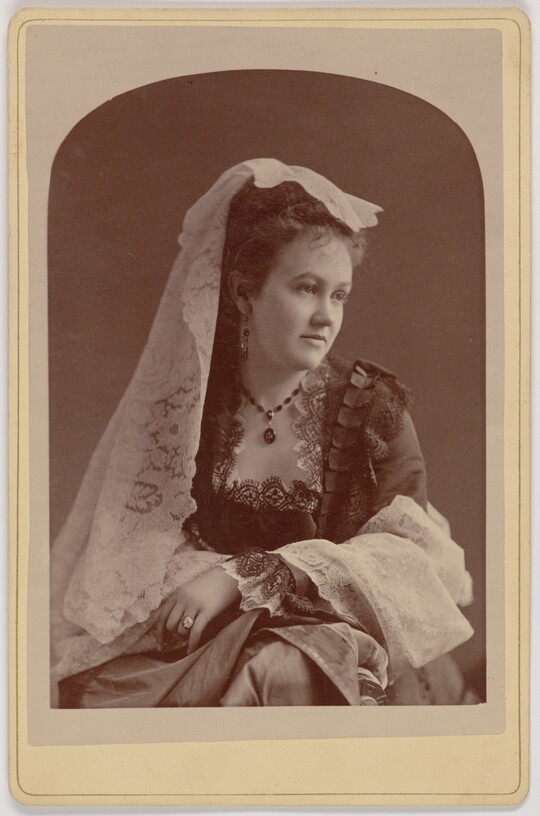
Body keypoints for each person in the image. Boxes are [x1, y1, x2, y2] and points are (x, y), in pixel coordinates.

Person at [51, 158, 476, 708]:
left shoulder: (371, 410)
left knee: (280, 669)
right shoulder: (192, 409)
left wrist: (249, 575)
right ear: (243, 292)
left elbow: (409, 559)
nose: (325, 316)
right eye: (306, 288)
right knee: (103, 698)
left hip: (350, 648)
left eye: (339, 294)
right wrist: (213, 589)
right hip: (216, 643)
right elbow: (132, 546)